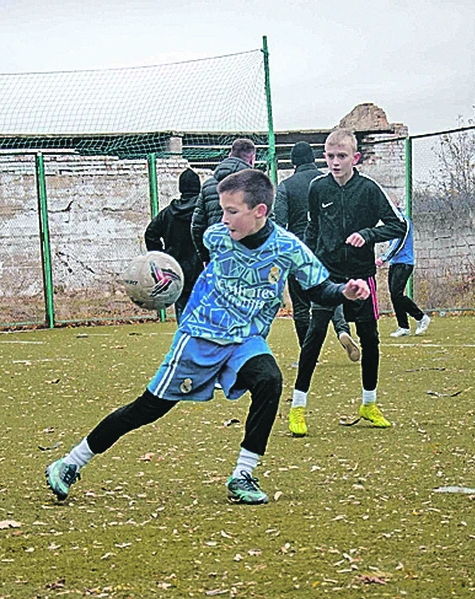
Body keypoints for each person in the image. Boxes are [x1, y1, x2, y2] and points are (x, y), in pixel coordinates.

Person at [46, 169, 370, 505]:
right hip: (201, 334)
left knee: (269, 380)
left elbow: (319, 288)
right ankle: (70, 463)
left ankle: (243, 474)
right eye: (223, 210)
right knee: (148, 409)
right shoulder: (217, 237)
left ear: (260, 211)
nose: (224, 219)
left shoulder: (288, 248)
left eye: (232, 211)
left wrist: (345, 291)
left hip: (246, 339)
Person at [288, 129, 408, 437]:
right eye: (329, 156)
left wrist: (367, 234)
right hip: (328, 276)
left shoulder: (368, 189)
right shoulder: (318, 188)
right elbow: (313, 228)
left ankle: (369, 403)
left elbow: (398, 226)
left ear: (355, 158)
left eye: (341, 156)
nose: (335, 162)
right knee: (313, 338)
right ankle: (297, 408)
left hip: (362, 275)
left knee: (370, 338)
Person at [273, 141, 359, 362]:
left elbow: (280, 224)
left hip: (299, 250)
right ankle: (342, 331)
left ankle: (308, 355)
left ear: (293, 162)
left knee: (301, 305)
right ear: (315, 158)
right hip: (329, 248)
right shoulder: (329, 181)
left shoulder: (286, 186)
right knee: (331, 292)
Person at [144, 168, 203, 321]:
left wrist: (162, 257)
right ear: (199, 187)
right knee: (204, 311)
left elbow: (150, 233)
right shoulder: (203, 211)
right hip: (202, 268)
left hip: (176, 270)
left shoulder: (168, 213)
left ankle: (185, 341)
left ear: (180, 188)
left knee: (182, 312)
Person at [190, 138, 256, 264]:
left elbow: (197, 227)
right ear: (252, 159)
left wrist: (205, 256)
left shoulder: (208, 186)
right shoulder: (256, 185)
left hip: (217, 257)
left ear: (230, 155)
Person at [378, 214, 430, 337]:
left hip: (405, 262)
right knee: (395, 295)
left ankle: (421, 317)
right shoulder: (391, 222)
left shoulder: (403, 221)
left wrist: (384, 258)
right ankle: (403, 327)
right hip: (395, 262)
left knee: (397, 293)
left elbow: (399, 241)